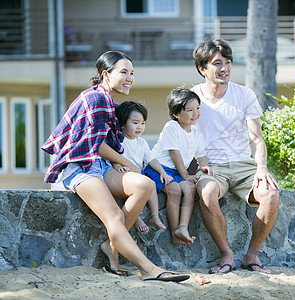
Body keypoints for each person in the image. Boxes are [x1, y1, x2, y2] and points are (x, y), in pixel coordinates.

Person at [41, 51, 189, 282]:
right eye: (124, 72)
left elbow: (103, 148)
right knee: (115, 217)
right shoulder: (96, 99)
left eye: (132, 73)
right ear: (105, 75)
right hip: (77, 167)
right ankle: (148, 269)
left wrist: (119, 164)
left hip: (98, 165)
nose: (129, 78)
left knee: (144, 184)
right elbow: (97, 145)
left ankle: (111, 246)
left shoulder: (108, 101)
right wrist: (127, 163)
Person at [191, 38, 280, 274]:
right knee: (207, 194)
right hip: (211, 167)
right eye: (217, 63)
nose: (224, 69)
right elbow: (182, 137)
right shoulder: (191, 98)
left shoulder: (244, 94)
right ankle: (227, 255)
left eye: (228, 63)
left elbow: (257, 139)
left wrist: (261, 168)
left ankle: (251, 256)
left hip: (244, 166)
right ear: (202, 68)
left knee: (270, 194)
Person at [142, 87, 214, 245]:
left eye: (198, 108)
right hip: (157, 168)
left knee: (190, 189)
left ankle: (183, 227)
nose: (195, 113)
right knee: (174, 190)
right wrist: (186, 176)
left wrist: (205, 167)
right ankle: (175, 232)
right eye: (189, 110)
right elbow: (175, 154)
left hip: (176, 171)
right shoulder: (171, 127)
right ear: (176, 114)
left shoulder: (196, 133)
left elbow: (201, 156)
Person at [114, 100, 168, 231]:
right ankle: (135, 218)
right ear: (122, 123)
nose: (140, 127)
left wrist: (162, 172)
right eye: (135, 123)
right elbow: (112, 156)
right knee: (131, 191)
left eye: (143, 123)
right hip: (125, 174)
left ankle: (154, 215)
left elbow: (151, 160)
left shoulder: (142, 142)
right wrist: (116, 165)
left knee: (151, 184)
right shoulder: (119, 140)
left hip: (139, 174)